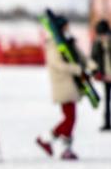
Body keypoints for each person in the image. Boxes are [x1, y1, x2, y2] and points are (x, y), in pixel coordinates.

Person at [36, 15, 92, 160]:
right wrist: (78, 69)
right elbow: (57, 64)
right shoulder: (53, 45)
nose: (68, 29)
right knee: (70, 118)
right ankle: (46, 139)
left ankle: (64, 147)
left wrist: (91, 67)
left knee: (70, 117)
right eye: (66, 26)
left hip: (71, 84)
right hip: (62, 84)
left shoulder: (68, 43)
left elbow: (80, 57)